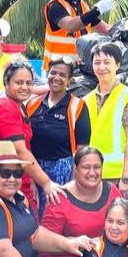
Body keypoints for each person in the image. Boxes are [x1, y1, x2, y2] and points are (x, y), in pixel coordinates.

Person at [40, 147, 121, 257]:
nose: (92, 172)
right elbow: (43, 239)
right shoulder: (60, 197)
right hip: (65, 256)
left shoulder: (112, 191)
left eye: (97, 167)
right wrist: (71, 243)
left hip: (102, 254)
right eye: (86, 167)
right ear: (75, 169)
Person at [0, 60, 66, 214]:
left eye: (29, 83)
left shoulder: (20, 106)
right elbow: (19, 151)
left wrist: (31, 181)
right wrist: (46, 183)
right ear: (6, 83)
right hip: (7, 182)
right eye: (19, 82)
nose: (25, 87)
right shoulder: (5, 107)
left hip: (19, 179)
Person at [83, 42, 128, 199]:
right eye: (97, 63)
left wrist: (126, 176)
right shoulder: (86, 100)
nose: (101, 67)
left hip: (118, 177)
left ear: (117, 65)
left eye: (107, 62)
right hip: (92, 175)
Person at [27, 57, 91, 200]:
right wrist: (30, 177)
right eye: (53, 73)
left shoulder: (78, 106)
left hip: (63, 172)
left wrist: (75, 181)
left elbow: (82, 147)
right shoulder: (32, 104)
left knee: (57, 215)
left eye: (62, 75)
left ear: (69, 81)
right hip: (33, 169)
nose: (56, 77)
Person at [41, 0, 112, 67]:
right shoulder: (54, 6)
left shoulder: (83, 5)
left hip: (79, 68)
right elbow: (71, 25)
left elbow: (106, 29)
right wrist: (98, 9)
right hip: (57, 70)